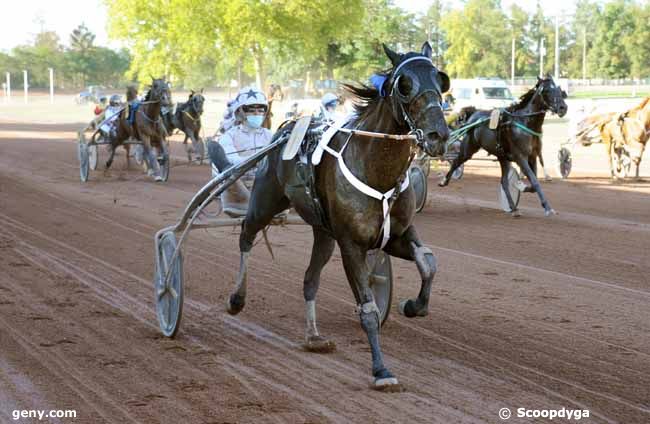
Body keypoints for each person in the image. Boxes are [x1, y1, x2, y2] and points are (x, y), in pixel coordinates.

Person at [208, 87, 273, 217]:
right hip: (238, 187)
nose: (257, 114)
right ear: (241, 112)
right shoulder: (229, 135)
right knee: (222, 160)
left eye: (260, 110)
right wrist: (257, 160)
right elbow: (231, 160)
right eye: (252, 111)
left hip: (263, 183)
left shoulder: (269, 135)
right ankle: (249, 203)